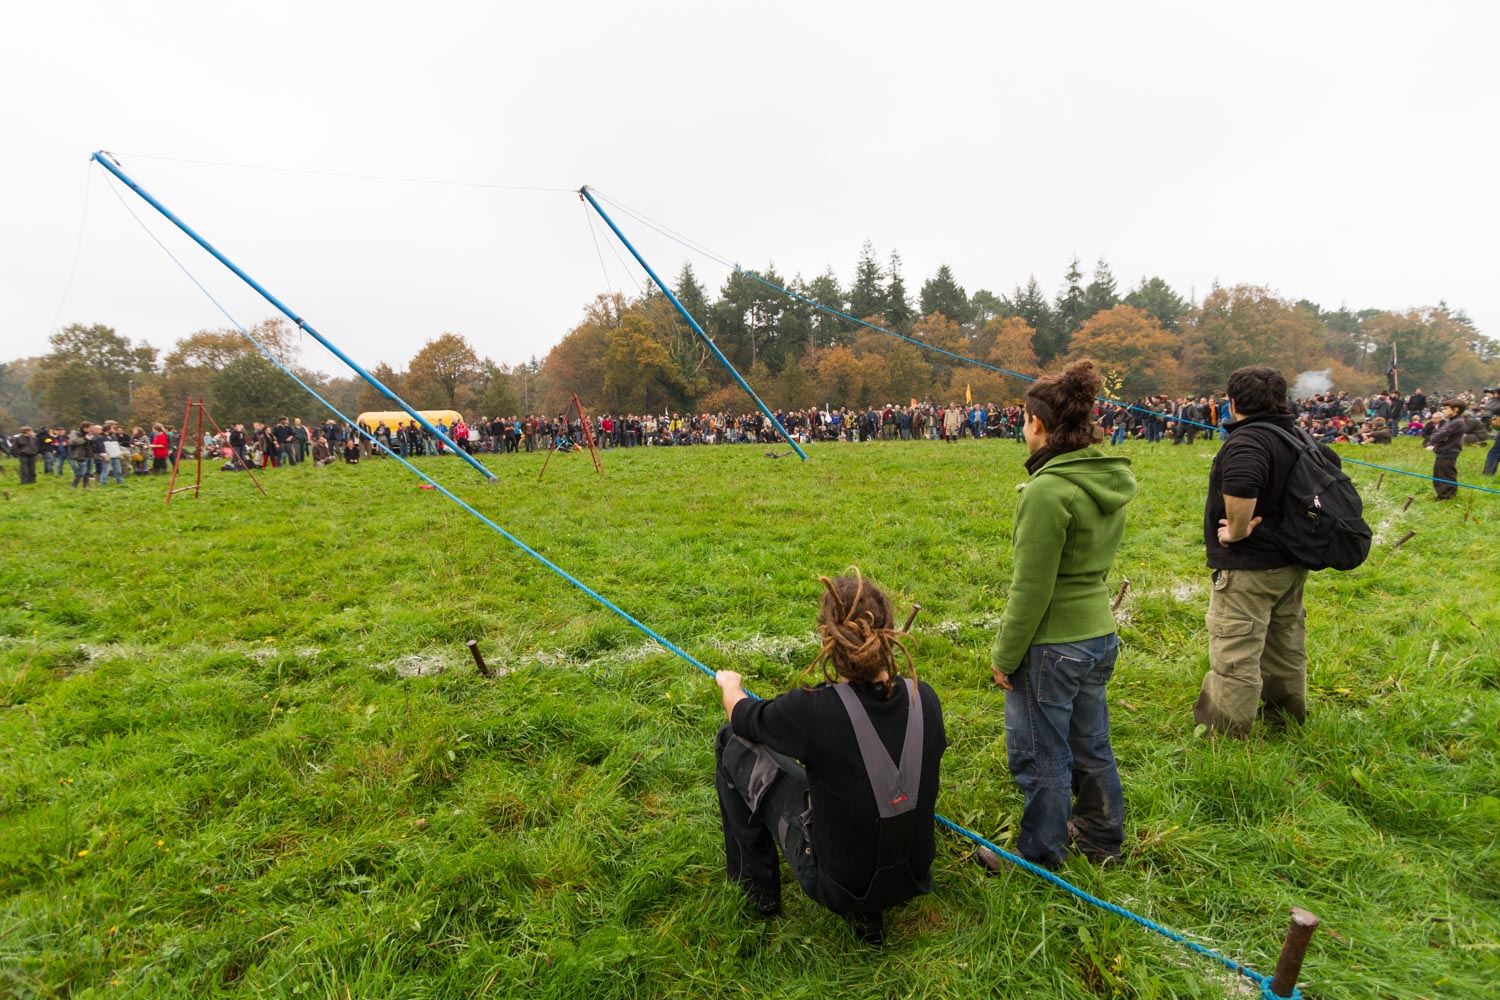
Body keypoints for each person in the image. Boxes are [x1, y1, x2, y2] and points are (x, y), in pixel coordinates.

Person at [713, 571, 945, 944]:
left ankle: (757, 896)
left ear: (827, 637)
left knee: (730, 741)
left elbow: (741, 718)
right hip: (913, 876)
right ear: (889, 634)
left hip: (840, 886)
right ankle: (868, 915)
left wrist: (731, 684)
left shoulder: (815, 710)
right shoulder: (925, 698)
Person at [990, 360, 1136, 868]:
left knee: (1039, 754)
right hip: (1098, 635)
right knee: (1091, 743)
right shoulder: (1101, 479)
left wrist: (1005, 656)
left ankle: (1041, 853)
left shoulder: (1048, 492)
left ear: (1038, 425)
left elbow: (1031, 589)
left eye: (1025, 419)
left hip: (1053, 645)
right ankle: (1101, 837)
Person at [1194, 365, 1332, 735]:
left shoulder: (1248, 441)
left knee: (1236, 649)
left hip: (1251, 566)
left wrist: (1236, 531)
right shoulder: (1297, 435)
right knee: (1285, 643)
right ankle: (1286, 718)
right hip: (1290, 562)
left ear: (1233, 401)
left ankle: (1224, 734)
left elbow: (1242, 482)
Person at [1427, 400, 1467, 499]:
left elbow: (1438, 436)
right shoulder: (1451, 422)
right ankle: (1441, 494)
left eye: (1446, 409)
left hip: (1449, 451)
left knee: (1446, 474)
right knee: (1438, 474)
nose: (1443, 411)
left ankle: (1447, 495)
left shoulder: (1456, 423)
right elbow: (1437, 434)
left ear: (1456, 410)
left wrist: (1437, 437)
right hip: (1442, 451)